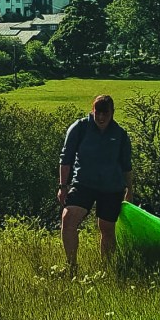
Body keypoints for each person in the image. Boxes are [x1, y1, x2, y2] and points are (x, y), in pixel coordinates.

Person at [57, 94, 133, 272]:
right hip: (83, 183)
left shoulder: (120, 134)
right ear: (93, 111)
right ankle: (71, 267)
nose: (101, 117)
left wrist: (129, 190)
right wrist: (62, 186)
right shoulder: (80, 128)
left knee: (106, 228)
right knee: (68, 220)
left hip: (111, 187)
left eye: (105, 113)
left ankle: (107, 271)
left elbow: (126, 165)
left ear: (112, 113)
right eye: (98, 112)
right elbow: (65, 158)